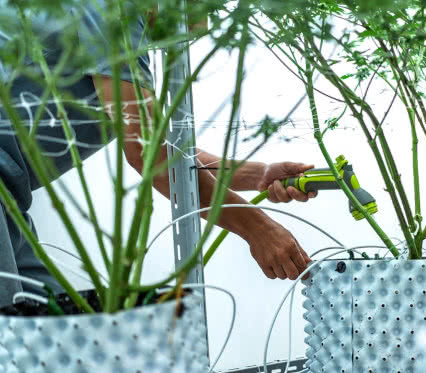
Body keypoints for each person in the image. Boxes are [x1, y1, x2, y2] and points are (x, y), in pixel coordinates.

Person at [0, 3, 315, 307]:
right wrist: (257, 228)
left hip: (9, 200)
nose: (208, 22)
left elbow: (164, 151)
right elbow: (150, 155)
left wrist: (259, 175)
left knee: (51, 332)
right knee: (17, 335)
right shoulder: (114, 12)